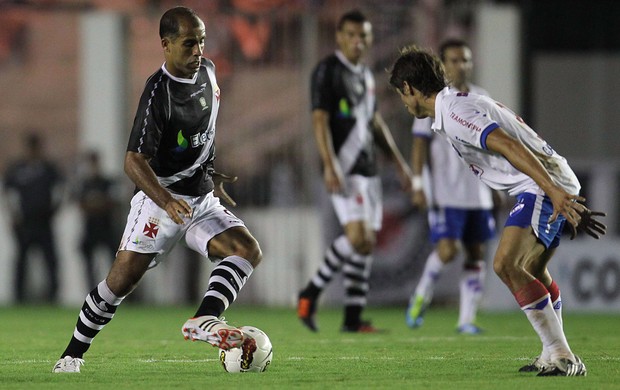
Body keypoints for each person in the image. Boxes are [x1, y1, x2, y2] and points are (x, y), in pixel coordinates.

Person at [53, 6, 263, 373]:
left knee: (246, 249)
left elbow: (205, 135)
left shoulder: (209, 72)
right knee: (119, 283)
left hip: (199, 199)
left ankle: (205, 320)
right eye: (188, 44)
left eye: (201, 42)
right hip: (159, 202)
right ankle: (72, 354)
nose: (198, 51)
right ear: (165, 45)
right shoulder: (158, 94)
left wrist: (209, 174)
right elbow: (133, 161)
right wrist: (165, 201)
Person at [389, 45, 606, 376]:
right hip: (549, 181)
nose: (403, 103)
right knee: (532, 268)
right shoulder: (455, 105)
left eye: (401, 95)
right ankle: (553, 353)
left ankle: (561, 353)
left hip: (540, 185)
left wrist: (554, 192)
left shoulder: (456, 114)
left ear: (409, 88)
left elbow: (509, 145)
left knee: (506, 263)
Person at [297, 10, 413, 333]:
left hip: (368, 168)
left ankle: (352, 318)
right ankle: (310, 293)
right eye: (351, 35)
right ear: (339, 37)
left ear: (370, 39)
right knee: (358, 238)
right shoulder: (327, 72)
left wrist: (399, 163)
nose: (357, 42)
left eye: (363, 36)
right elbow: (319, 120)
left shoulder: (364, 75)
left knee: (365, 242)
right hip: (343, 168)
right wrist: (330, 163)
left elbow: (373, 123)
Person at [406, 39, 497, 334]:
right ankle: (421, 295)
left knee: (475, 253)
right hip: (446, 192)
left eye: (466, 60)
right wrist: (418, 183)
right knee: (447, 251)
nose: (462, 66)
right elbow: (420, 145)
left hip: (479, 192)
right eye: (455, 60)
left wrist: (496, 186)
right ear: (443, 65)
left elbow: (492, 145)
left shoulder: (481, 97)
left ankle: (466, 319)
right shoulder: (437, 99)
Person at [3, 132, 64, 304]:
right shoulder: (17, 168)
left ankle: (53, 296)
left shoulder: (48, 168)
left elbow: (61, 189)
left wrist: (55, 210)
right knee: (21, 261)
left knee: (50, 261)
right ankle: (19, 296)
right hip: (25, 222)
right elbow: (8, 192)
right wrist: (12, 214)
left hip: (44, 221)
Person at [74, 151, 120, 288]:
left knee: (114, 262)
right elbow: (81, 205)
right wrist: (98, 203)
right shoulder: (84, 184)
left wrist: (95, 204)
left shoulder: (107, 182)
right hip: (90, 229)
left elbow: (113, 203)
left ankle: (115, 290)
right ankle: (91, 291)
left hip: (106, 227)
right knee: (89, 266)